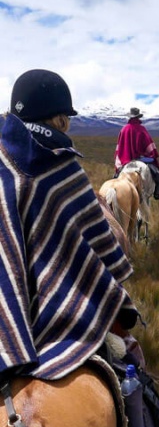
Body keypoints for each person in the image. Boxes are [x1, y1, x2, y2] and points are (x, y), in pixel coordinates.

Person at [0, 69, 139, 386]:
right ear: (60, 119)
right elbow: (101, 245)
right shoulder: (63, 167)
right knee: (130, 360)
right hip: (57, 323)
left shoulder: (2, 161)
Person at [114, 107, 159, 200]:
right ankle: (158, 192)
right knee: (156, 172)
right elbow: (149, 145)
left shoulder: (124, 129)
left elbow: (119, 148)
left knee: (117, 176)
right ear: (138, 117)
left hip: (126, 159)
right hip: (140, 159)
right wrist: (152, 154)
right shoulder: (141, 129)